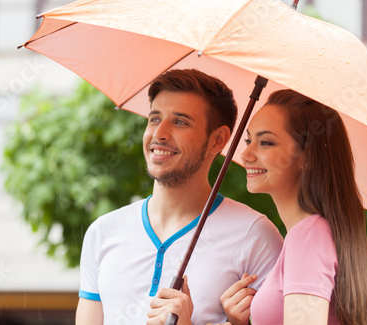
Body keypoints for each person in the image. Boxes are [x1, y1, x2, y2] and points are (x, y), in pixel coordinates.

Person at [76, 69, 283, 325]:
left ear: (218, 140)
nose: (159, 134)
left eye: (180, 122)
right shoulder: (102, 232)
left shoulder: (256, 236)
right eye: (154, 119)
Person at [153, 89, 367, 325]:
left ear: (307, 157)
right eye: (249, 140)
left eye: (266, 142)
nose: (246, 153)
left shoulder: (308, 235)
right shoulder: (311, 233)